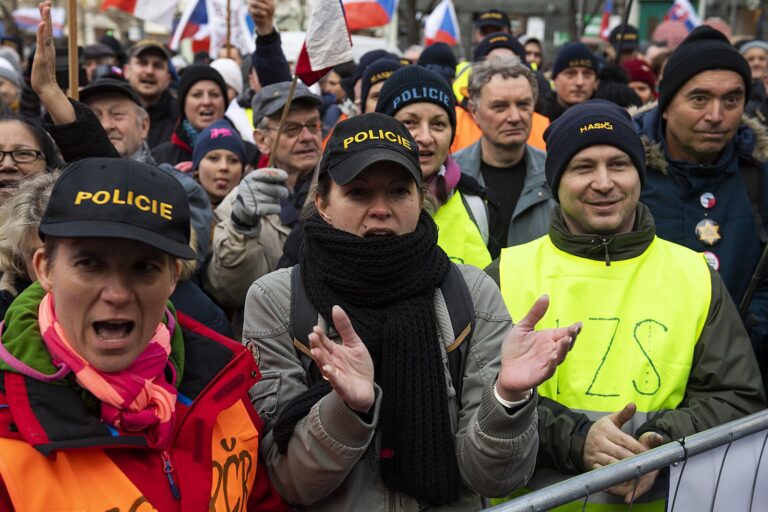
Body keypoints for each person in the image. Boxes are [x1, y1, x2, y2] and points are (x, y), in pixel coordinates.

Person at [243, 112, 581, 510]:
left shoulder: (470, 294)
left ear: (421, 199)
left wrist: (507, 400)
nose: (381, 209)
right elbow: (291, 482)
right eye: (358, 193)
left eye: (399, 191)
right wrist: (346, 409)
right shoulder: (278, 301)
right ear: (322, 202)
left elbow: (497, 478)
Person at [488, 100, 767, 510]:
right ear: (556, 181)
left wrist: (661, 443)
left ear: (640, 174)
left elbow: (738, 398)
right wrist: (579, 441)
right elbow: (478, 400)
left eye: (619, 164)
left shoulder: (694, 273)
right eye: (583, 167)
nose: (604, 182)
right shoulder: (505, 273)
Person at [0, 157, 285, 510]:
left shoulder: (223, 383)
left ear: (171, 278)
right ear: (44, 269)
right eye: (90, 264)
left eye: (144, 267)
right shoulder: (8, 439)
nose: (117, 294)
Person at [633, 26, 768, 391]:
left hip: (739, 382)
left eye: (731, 100)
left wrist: (746, 334)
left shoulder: (758, 175)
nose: (716, 115)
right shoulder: (625, 171)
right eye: (699, 99)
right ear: (666, 104)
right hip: (643, 373)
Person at [203, 81, 321, 312]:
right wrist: (242, 228)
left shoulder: (344, 190)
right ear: (262, 140)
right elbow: (227, 291)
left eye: (313, 125)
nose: (307, 136)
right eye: (291, 128)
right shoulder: (237, 203)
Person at [372, 65, 492, 268]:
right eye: (410, 122)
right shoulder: (353, 202)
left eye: (438, 124)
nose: (425, 137)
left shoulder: (476, 205)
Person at [454, 58, 555, 258]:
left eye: (523, 104)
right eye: (500, 107)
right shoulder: (450, 177)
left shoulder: (556, 173)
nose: (515, 117)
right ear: (474, 111)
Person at [151, 65, 229, 166]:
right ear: (183, 103)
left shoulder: (249, 155)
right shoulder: (160, 158)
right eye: (197, 95)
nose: (206, 102)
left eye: (214, 95)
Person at [123, 39, 178, 149]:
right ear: (127, 71)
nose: (149, 71)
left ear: (168, 78)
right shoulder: (108, 114)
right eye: (142, 63)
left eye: (158, 65)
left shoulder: (181, 119)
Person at [191, 119, 246, 208]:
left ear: (242, 172)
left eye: (233, 160)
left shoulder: (255, 212)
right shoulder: (178, 207)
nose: (224, 167)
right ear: (196, 168)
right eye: (213, 158)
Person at [540, 42, 601, 121]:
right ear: (554, 80)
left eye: (587, 75)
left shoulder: (606, 121)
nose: (580, 82)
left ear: (596, 82)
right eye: (570, 74)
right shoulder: (538, 121)